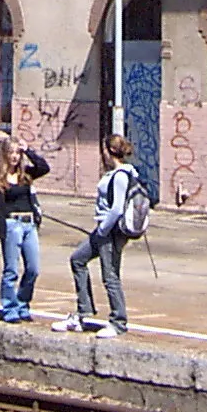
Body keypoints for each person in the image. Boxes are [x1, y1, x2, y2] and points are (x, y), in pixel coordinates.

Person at [54, 133, 135, 338]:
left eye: (104, 152)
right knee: (78, 259)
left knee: (110, 276)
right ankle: (83, 312)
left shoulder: (121, 176)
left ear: (109, 152)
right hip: (103, 230)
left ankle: (118, 322)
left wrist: (102, 229)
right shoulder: (117, 174)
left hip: (110, 232)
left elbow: (116, 209)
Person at [0, 140, 50, 323]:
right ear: (4, 155)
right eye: (11, 153)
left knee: (33, 268)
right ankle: (10, 308)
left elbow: (44, 167)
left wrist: (28, 149)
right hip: (12, 225)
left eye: (17, 153)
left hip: (29, 224)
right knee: (11, 270)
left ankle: (22, 303)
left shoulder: (26, 175)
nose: (14, 156)